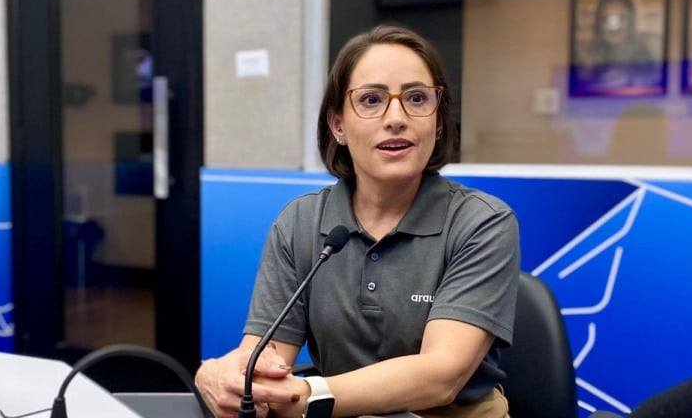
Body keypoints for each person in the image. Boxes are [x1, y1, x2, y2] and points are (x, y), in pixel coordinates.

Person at [194, 24, 520, 418]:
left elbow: (441, 377)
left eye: (417, 98)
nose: (396, 118)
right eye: (371, 100)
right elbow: (263, 364)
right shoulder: (301, 222)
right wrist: (215, 375)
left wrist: (308, 396)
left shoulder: (483, 222)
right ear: (338, 125)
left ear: (437, 121)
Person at [573, 0, 662, 91]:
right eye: (607, 19)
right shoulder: (589, 58)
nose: (614, 27)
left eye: (621, 18)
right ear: (599, 24)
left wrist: (631, 78)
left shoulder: (649, 47)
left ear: (631, 22)